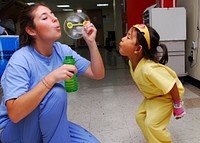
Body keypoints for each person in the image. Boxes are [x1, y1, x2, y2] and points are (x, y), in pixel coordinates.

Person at [0, 3, 104, 143]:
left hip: (46, 120)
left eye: (52, 14)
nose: (54, 19)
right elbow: (15, 114)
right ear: (31, 30)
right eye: (45, 18)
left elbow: (97, 74)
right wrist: (51, 78)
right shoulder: (20, 59)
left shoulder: (62, 51)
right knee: (57, 92)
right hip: (15, 129)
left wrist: (91, 42)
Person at [119, 24, 186, 143]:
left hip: (164, 97)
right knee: (140, 117)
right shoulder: (131, 63)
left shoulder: (149, 69)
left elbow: (171, 84)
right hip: (152, 97)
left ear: (138, 49)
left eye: (128, 37)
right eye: (126, 36)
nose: (123, 38)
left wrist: (177, 104)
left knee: (152, 124)